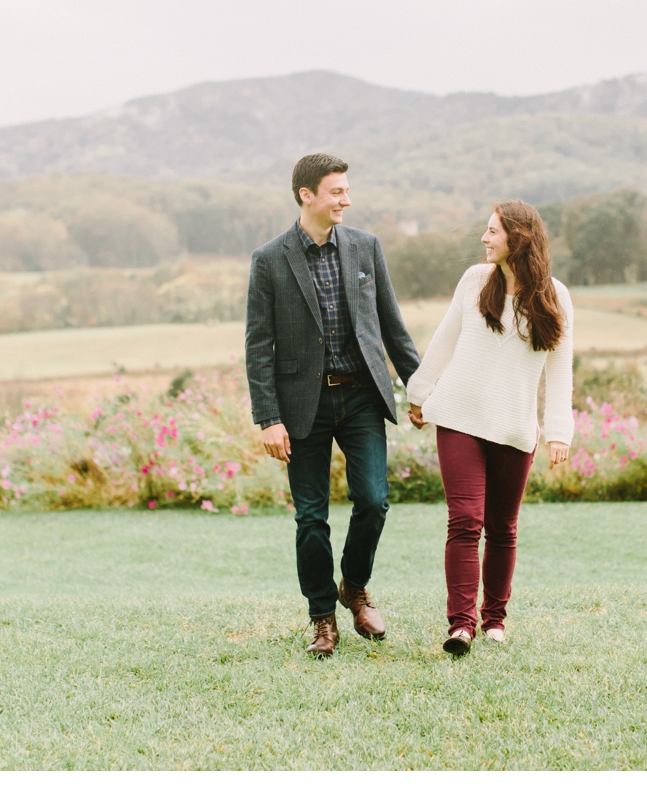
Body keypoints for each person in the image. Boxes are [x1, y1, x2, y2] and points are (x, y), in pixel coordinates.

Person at [245, 153, 421, 658]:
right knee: (311, 518)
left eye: (347, 190)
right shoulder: (270, 260)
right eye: (337, 191)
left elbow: (392, 326)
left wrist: (421, 389)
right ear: (308, 195)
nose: (347, 199)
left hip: (363, 395)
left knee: (373, 500)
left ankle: (355, 587)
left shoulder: (366, 247)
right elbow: (259, 345)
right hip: (303, 405)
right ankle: (322, 617)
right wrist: (268, 418)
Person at [405, 200, 573, 656]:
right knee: (465, 520)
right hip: (459, 415)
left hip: (515, 427)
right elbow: (445, 339)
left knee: (502, 528)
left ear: (517, 238)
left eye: (492, 231)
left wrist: (559, 430)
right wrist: (418, 392)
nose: (484, 238)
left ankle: (494, 619)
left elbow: (560, 369)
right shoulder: (475, 281)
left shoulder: (554, 297)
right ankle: (461, 625)